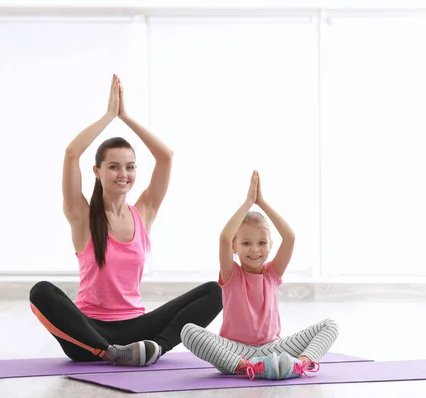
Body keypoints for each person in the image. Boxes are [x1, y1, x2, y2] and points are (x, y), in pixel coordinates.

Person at [29, 74, 222, 367]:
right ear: (97, 171)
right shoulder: (82, 214)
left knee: (214, 291)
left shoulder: (144, 212)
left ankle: (155, 348)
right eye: (114, 167)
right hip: (90, 332)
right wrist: (109, 116)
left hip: (137, 328)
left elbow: (166, 157)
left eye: (130, 167)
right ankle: (111, 354)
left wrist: (127, 117)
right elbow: (71, 154)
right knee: (40, 292)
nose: (123, 174)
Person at [180, 170, 338, 380]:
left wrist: (261, 202)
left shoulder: (272, 273)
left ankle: (299, 365)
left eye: (261, 243)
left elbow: (290, 237)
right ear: (235, 247)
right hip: (235, 352)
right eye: (246, 243)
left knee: (330, 325)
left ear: (270, 245)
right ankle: (248, 368)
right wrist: (248, 202)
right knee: (188, 331)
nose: (255, 249)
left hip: (274, 349)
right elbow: (225, 238)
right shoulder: (231, 274)